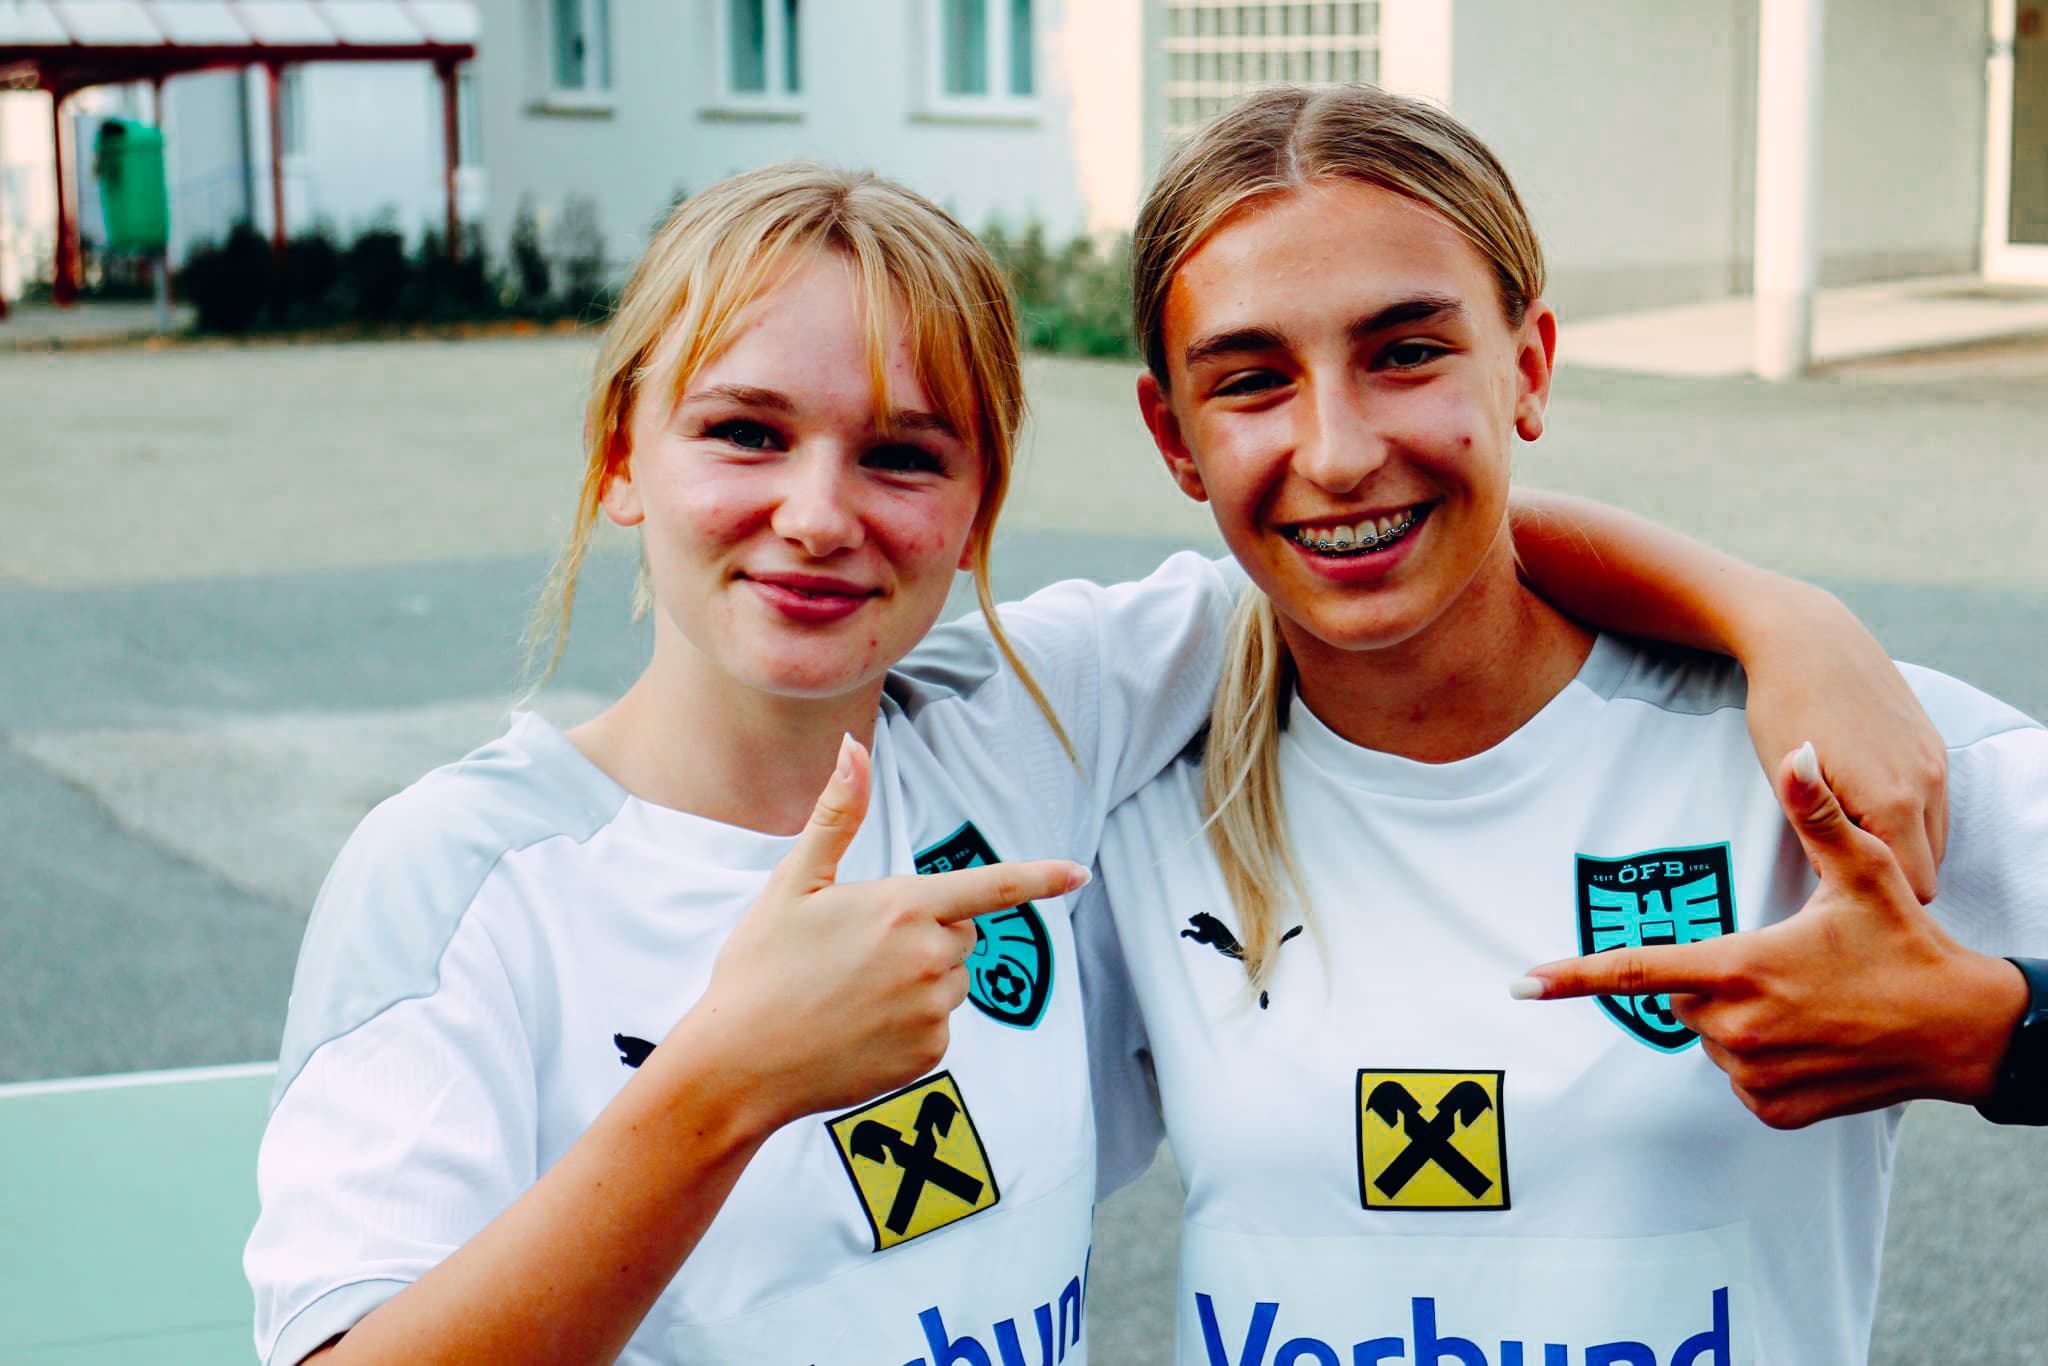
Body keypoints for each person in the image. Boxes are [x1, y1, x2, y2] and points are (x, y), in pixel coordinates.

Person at [244, 161, 1947, 1366]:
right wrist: (720, 1087)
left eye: (904, 454)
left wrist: (1774, 616)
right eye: (745, 431)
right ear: (623, 455)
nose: (818, 513)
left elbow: (1385, 526)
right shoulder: (464, 875)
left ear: (977, 506)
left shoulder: (1032, 714)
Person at [1081, 84, 2048, 1366]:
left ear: (1526, 367)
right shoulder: (1128, 790)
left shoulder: (1818, 749)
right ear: (1173, 436)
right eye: (1252, 380)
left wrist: (1995, 1033)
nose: (1337, 452)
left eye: (1404, 353)